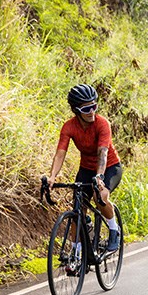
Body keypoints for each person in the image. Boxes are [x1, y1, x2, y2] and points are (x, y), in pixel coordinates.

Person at [47, 84, 123, 253]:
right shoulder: (69, 127)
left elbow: (102, 153)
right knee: (77, 210)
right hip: (86, 169)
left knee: (100, 196)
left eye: (94, 106)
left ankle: (113, 229)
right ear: (76, 110)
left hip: (110, 167)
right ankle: (76, 252)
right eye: (87, 108)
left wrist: (100, 176)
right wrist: (52, 176)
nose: (92, 111)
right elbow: (60, 154)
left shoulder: (103, 124)